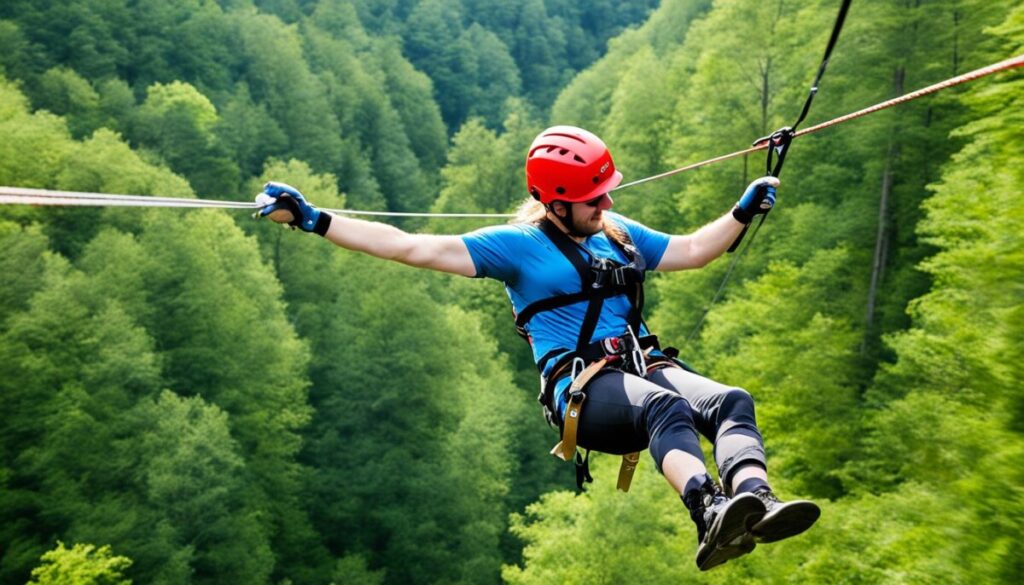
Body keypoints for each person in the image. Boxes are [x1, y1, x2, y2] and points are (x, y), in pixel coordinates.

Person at [256, 126, 820, 571]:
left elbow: (694, 249)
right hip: (581, 393)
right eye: (592, 197)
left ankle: (754, 501)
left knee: (731, 401)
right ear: (553, 203)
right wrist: (315, 220)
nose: (605, 201)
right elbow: (411, 247)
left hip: (641, 366)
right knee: (664, 408)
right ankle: (709, 511)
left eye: (605, 190)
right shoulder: (517, 248)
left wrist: (741, 212)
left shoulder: (617, 231)